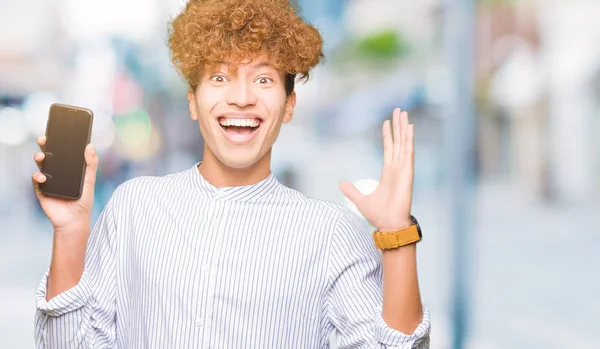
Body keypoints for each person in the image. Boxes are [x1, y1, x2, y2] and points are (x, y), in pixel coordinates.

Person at [31, 0, 431, 348]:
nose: (241, 97)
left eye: (263, 79)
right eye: (220, 77)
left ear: (289, 105)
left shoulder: (333, 234)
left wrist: (398, 237)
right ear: (193, 100)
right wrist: (69, 235)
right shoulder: (134, 208)